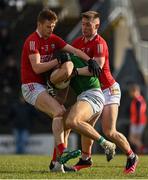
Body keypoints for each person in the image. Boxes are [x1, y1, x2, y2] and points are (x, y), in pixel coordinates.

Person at [21, 8, 101, 173]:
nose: (51, 30)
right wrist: (57, 61)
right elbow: (36, 68)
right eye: (48, 26)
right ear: (39, 24)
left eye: (53, 26)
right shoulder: (32, 41)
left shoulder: (53, 38)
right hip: (31, 86)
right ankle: (63, 152)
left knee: (63, 116)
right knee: (59, 112)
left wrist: (90, 60)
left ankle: (56, 165)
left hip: (42, 87)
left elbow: (75, 51)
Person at [71, 11, 138, 174]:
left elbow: (97, 68)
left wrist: (75, 72)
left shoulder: (100, 43)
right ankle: (86, 159)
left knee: (109, 131)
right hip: (93, 91)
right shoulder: (77, 42)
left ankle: (131, 156)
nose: (85, 28)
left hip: (109, 90)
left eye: (88, 25)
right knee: (86, 126)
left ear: (97, 26)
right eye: (83, 24)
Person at [48, 53, 116, 172]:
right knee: (62, 124)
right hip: (86, 97)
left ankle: (107, 144)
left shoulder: (70, 62)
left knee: (72, 120)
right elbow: (61, 99)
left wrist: (52, 82)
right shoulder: (65, 68)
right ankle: (57, 164)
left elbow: (93, 71)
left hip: (92, 94)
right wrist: (50, 98)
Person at [128, 84, 147, 153]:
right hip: (141, 122)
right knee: (137, 139)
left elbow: (139, 113)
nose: (131, 94)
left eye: (131, 92)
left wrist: (136, 123)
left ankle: (144, 149)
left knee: (132, 138)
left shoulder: (138, 101)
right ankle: (140, 152)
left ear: (136, 91)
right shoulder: (141, 99)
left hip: (137, 122)